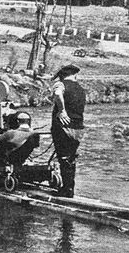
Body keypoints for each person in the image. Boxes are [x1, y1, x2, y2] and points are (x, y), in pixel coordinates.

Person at [50, 64, 86, 198]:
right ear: (75, 75)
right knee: (71, 158)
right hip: (78, 128)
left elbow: (57, 94)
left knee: (63, 158)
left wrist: (62, 111)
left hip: (62, 127)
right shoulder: (80, 89)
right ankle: (70, 189)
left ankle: (66, 191)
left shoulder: (61, 84)